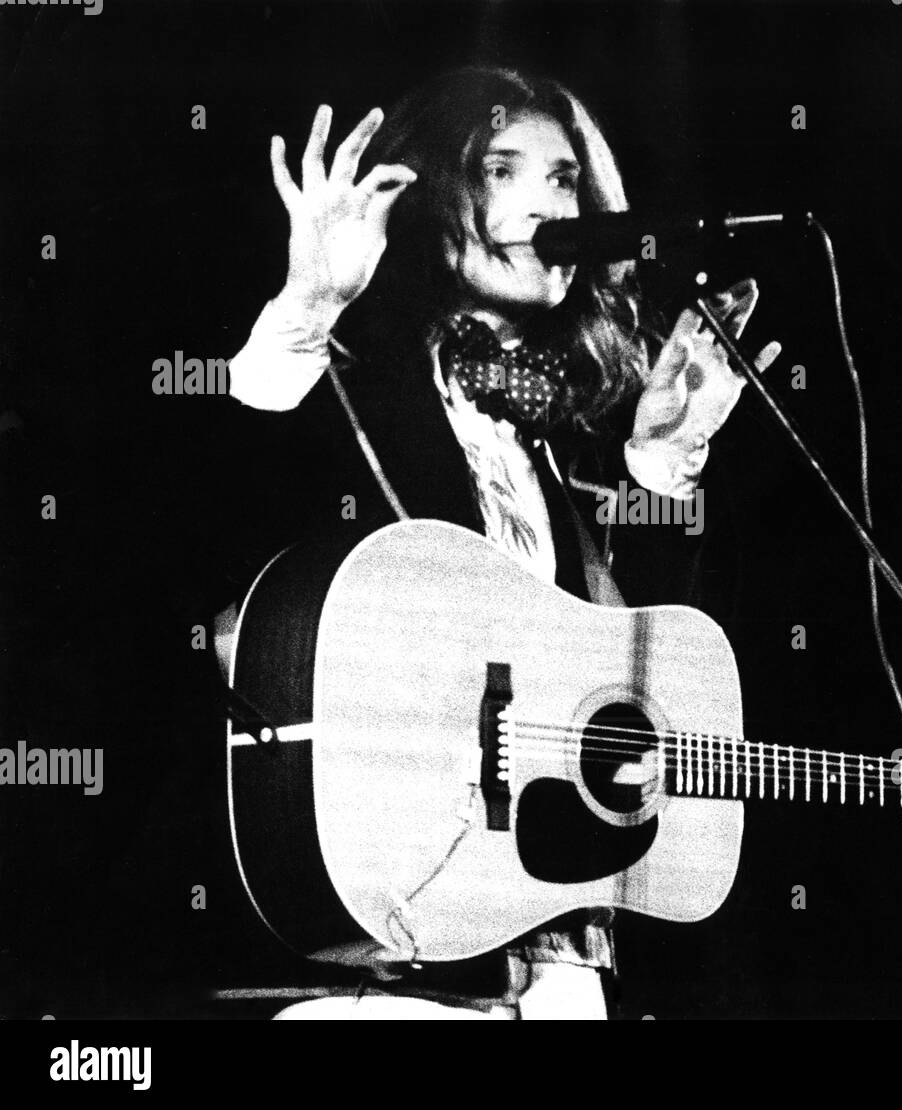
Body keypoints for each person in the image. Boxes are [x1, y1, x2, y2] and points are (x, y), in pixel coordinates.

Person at [224, 66, 780, 1019]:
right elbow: (222, 517)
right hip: (382, 959)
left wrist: (661, 466)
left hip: (557, 948)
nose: (545, 202)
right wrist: (307, 312)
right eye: (502, 170)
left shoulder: (571, 433)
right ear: (433, 189)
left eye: (565, 181)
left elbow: (646, 674)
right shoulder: (350, 384)